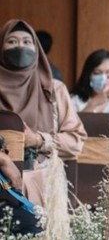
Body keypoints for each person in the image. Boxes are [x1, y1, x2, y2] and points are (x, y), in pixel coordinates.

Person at [0, 20, 86, 205]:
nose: (20, 47)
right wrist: (4, 161)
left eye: (27, 42)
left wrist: (38, 140)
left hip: (43, 189)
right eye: (12, 41)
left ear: (36, 48)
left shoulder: (54, 90)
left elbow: (76, 141)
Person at [69, 49, 109, 115]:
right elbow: (74, 124)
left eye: (108, 72)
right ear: (88, 75)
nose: (103, 77)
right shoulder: (74, 101)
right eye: (97, 73)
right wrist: (94, 103)